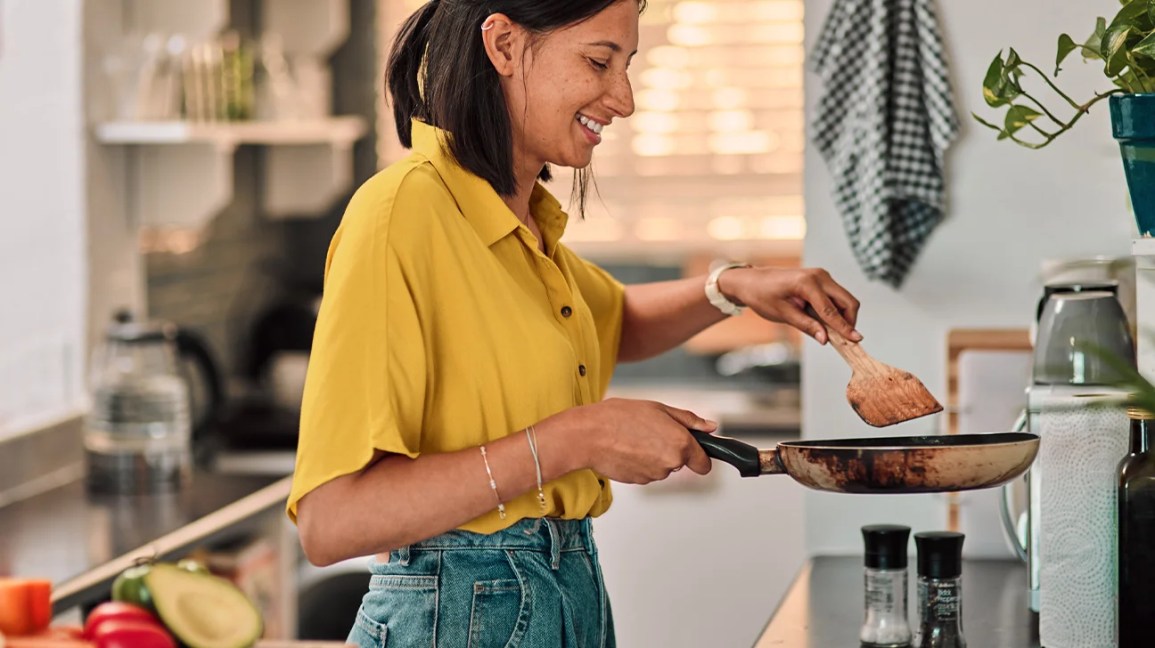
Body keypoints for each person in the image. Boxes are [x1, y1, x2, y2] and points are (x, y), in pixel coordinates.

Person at [287, 0, 863, 646]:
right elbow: (331, 520)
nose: (623, 99)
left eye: (627, 66)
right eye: (597, 61)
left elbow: (612, 320)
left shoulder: (517, 217)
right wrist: (576, 438)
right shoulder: (403, 214)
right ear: (502, 46)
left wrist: (731, 289)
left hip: (563, 584)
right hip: (461, 605)